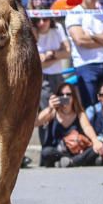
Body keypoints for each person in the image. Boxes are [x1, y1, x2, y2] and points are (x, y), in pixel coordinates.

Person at [35, 82, 101, 168]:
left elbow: (87, 127)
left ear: (73, 97)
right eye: (61, 94)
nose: (65, 97)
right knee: (46, 152)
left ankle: (69, 162)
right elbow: (36, 123)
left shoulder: (79, 113)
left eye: (68, 94)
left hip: (76, 151)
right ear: (57, 96)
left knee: (101, 146)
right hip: (57, 152)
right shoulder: (53, 112)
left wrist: (95, 140)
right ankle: (74, 161)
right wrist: (50, 108)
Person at [32, 13, 71, 146]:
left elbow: (68, 52)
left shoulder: (58, 27)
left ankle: (63, 145)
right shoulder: (32, 31)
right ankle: (47, 147)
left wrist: (50, 55)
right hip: (42, 78)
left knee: (62, 109)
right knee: (47, 112)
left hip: (58, 76)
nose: (42, 23)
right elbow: (37, 63)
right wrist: (57, 55)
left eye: (45, 19)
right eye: (38, 20)